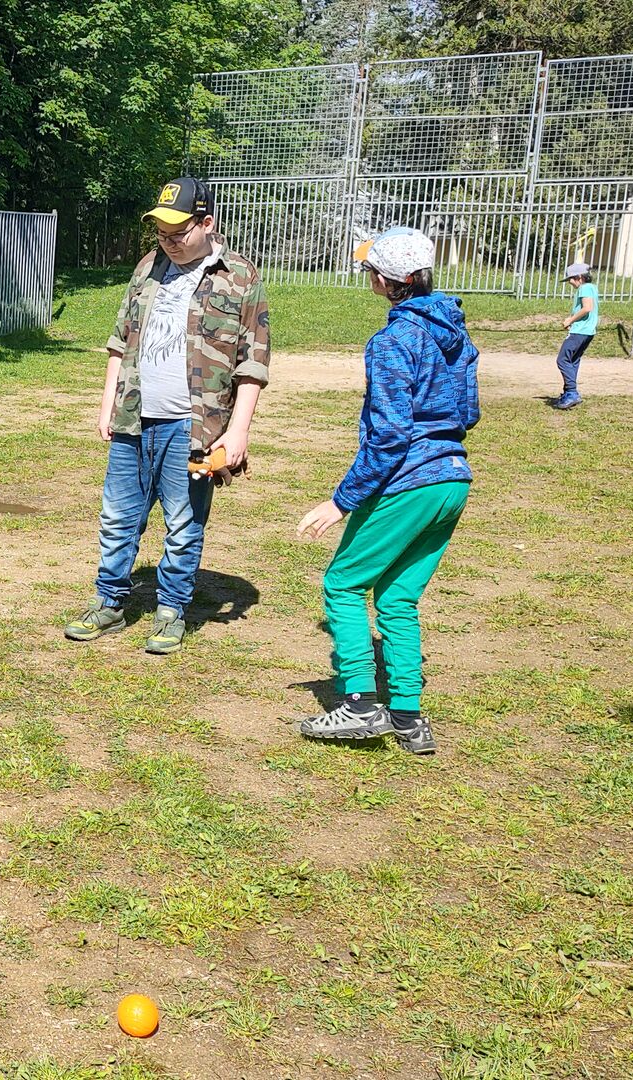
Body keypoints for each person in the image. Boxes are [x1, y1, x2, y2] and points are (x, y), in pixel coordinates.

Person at [63, 177, 269, 654]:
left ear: (207, 223)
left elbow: (254, 361)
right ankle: (109, 603)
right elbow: (120, 340)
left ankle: (171, 609)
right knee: (117, 518)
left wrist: (237, 432)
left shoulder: (239, 275)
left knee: (183, 522)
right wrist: (107, 403)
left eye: (179, 233)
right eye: (162, 233)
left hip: (193, 428)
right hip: (135, 418)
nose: (170, 242)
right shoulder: (149, 266)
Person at [296, 226, 480, 757]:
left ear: (384, 280)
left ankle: (358, 704)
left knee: (343, 585)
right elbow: (467, 413)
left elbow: (391, 435)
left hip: (408, 482)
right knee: (398, 598)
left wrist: (340, 501)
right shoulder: (458, 334)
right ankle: (408, 716)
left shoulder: (392, 341)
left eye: (369, 269)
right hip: (452, 480)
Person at [552, 261, 596, 410]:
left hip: (580, 331)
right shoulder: (591, 288)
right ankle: (568, 392)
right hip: (586, 331)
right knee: (572, 360)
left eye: (571, 279)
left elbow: (587, 308)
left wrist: (570, 319)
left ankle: (571, 392)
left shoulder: (585, 288)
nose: (570, 282)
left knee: (562, 360)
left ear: (579, 277)